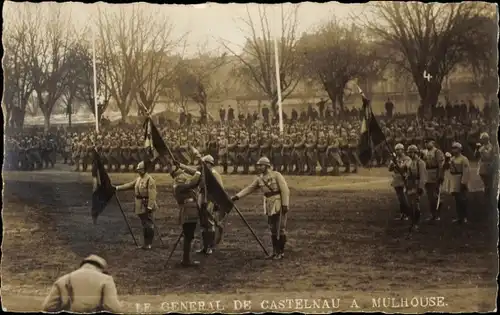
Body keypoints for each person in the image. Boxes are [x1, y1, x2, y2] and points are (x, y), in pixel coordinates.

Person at [231, 157, 290, 260]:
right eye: (258, 165)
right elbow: (249, 188)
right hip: (268, 204)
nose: (259, 167)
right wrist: (237, 196)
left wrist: (285, 204)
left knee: (280, 228)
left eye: (261, 165)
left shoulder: (276, 175)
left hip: (278, 203)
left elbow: (285, 190)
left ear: (267, 166)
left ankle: (281, 252)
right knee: (272, 229)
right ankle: (274, 251)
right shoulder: (259, 178)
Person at [42, 255, 122, 313]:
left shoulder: (64, 279)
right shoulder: (106, 279)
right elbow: (113, 308)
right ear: (101, 268)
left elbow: (48, 306)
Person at [178, 154, 224, 255]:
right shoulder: (202, 172)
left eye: (204, 163)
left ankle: (210, 247)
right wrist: (180, 165)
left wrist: (216, 203)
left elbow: (220, 189)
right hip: (201, 197)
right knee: (203, 224)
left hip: (210, 199)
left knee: (210, 223)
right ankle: (205, 246)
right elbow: (192, 171)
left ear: (209, 164)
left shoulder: (214, 174)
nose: (202, 165)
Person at [114, 161, 157, 250]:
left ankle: (148, 244)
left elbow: (152, 195)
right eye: (138, 170)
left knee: (149, 225)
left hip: (146, 204)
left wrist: (149, 206)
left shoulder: (150, 180)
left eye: (140, 170)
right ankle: (145, 243)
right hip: (140, 204)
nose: (138, 171)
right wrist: (116, 188)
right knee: (144, 224)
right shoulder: (138, 179)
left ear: (144, 170)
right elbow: (129, 185)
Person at [170, 162, 202, 267]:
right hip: (188, 211)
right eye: (182, 174)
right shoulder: (179, 185)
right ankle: (186, 260)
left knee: (189, 236)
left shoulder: (181, 185)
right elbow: (193, 183)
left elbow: (194, 183)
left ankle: (186, 259)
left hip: (189, 211)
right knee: (188, 236)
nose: (184, 176)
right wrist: (198, 171)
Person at [444, 142, 470, 224]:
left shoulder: (464, 159)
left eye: (456, 148)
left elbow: (466, 171)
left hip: (460, 178)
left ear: (460, 149)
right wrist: (446, 160)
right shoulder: (451, 159)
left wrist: (463, 182)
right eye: (453, 148)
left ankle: (464, 217)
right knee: (457, 200)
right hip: (453, 179)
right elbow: (445, 167)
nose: (454, 150)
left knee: (462, 199)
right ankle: (459, 217)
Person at [422, 137, 445, 221]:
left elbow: (440, 165)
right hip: (426, 174)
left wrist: (440, 175)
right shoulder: (424, 152)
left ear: (433, 143)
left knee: (435, 196)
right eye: (425, 142)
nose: (426, 144)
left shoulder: (437, 152)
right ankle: (433, 214)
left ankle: (437, 214)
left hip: (435, 173)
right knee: (429, 195)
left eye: (428, 142)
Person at [405, 145, 427, 231]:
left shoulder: (421, 163)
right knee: (410, 204)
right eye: (409, 152)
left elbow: (423, 176)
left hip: (417, 184)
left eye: (411, 152)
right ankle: (412, 222)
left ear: (415, 152)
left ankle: (416, 223)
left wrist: (421, 187)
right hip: (409, 184)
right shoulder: (409, 162)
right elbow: (407, 173)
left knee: (416, 204)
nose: (410, 154)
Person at [389, 143, 411, 220]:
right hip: (396, 178)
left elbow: (402, 168)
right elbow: (390, 169)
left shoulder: (407, 158)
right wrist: (392, 163)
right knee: (399, 198)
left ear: (403, 150)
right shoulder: (395, 158)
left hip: (403, 178)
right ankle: (402, 213)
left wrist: (396, 163)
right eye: (396, 150)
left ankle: (408, 213)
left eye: (399, 149)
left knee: (403, 197)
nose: (398, 151)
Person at [476, 132, 495, 202]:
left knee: (489, 182)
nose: (482, 141)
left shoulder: (490, 146)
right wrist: (477, 149)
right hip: (482, 165)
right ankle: (487, 193)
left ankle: (488, 196)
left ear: (486, 139)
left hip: (488, 165)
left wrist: (481, 150)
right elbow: (476, 156)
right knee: (485, 181)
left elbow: (488, 156)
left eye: (483, 139)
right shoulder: (482, 147)